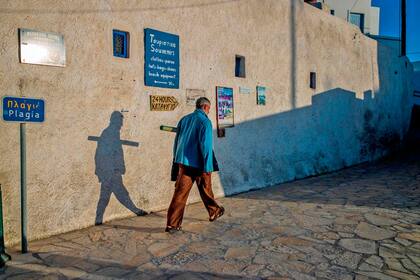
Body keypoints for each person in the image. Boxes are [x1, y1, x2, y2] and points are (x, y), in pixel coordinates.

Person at [166, 97, 224, 233]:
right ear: (205, 107)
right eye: (209, 108)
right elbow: (206, 146)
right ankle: (214, 211)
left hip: (184, 164)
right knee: (206, 188)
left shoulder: (184, 119)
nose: (209, 111)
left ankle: (172, 225)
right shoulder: (205, 122)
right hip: (200, 163)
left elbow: (177, 141)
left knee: (180, 194)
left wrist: (176, 159)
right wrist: (208, 166)